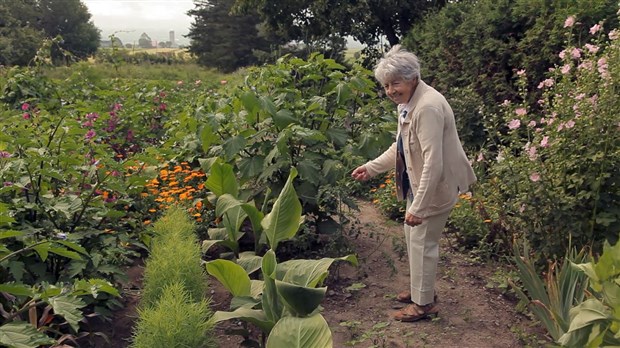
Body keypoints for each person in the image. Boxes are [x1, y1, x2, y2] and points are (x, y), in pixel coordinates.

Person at [351, 45, 476, 322]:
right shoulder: (408, 104)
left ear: (412, 78)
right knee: (413, 241)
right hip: (418, 183)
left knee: (423, 244)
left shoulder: (427, 107)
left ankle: (424, 304)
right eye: (386, 85)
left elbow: (433, 162)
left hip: (434, 188)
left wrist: (418, 207)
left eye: (395, 83)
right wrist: (370, 168)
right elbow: (401, 147)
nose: (391, 91)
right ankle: (422, 290)